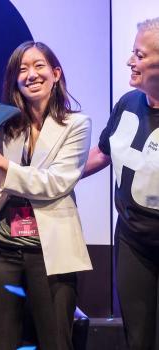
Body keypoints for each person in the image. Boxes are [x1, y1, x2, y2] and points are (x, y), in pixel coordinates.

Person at [0, 41, 92, 350]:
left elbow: (57, 183)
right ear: (14, 80)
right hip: (0, 250)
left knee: (56, 341)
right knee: (1, 341)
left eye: (38, 66)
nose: (31, 74)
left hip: (51, 252)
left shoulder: (77, 124)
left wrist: (2, 163)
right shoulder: (4, 127)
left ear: (56, 73)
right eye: (22, 69)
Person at [83, 17, 159, 350]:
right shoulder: (128, 104)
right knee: (137, 336)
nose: (130, 61)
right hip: (132, 240)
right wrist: (53, 177)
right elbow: (104, 151)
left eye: (139, 55)